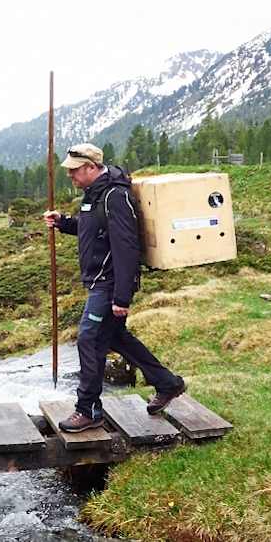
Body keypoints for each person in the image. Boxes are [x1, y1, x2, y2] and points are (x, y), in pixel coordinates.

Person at [42, 143, 186, 432]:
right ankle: (168, 384)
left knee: (89, 339)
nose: (70, 175)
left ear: (92, 167)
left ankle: (89, 410)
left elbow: (126, 247)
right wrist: (65, 222)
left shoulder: (116, 196)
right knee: (115, 338)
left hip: (108, 285)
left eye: (74, 170)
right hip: (100, 282)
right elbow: (91, 226)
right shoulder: (94, 195)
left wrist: (122, 295)